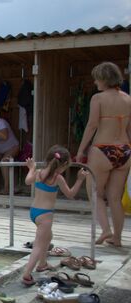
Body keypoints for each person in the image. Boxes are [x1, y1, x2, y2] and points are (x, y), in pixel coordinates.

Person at [76, 62, 131, 247]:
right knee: (115, 197)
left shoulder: (98, 99)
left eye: (97, 78)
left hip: (102, 148)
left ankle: (106, 230)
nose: (94, 82)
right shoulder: (128, 99)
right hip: (124, 150)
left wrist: (81, 150)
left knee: (95, 193)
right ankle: (117, 238)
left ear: (104, 79)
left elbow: (92, 126)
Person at [21, 146, 88, 285]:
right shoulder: (58, 178)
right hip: (45, 215)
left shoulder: (39, 173)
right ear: (63, 165)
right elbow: (70, 194)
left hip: (34, 212)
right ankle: (27, 274)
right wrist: (80, 179)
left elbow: (27, 181)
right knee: (38, 245)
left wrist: (31, 168)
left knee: (48, 236)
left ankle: (42, 264)